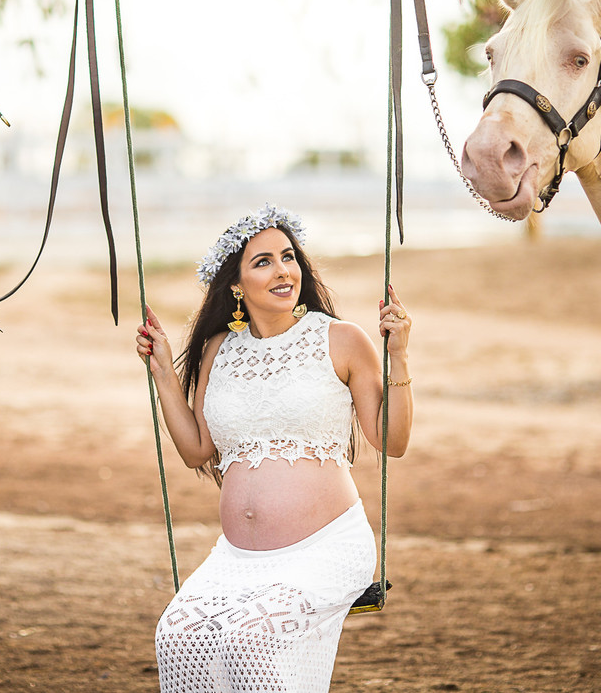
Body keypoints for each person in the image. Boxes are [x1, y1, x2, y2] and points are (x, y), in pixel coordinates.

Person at [135, 203, 413, 693]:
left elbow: (392, 442)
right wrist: (161, 370)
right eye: (263, 262)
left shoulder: (342, 339)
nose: (284, 270)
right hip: (237, 560)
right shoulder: (219, 349)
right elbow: (198, 450)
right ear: (236, 286)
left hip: (325, 548)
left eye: (288, 257)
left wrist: (399, 356)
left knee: (248, 642)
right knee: (177, 638)